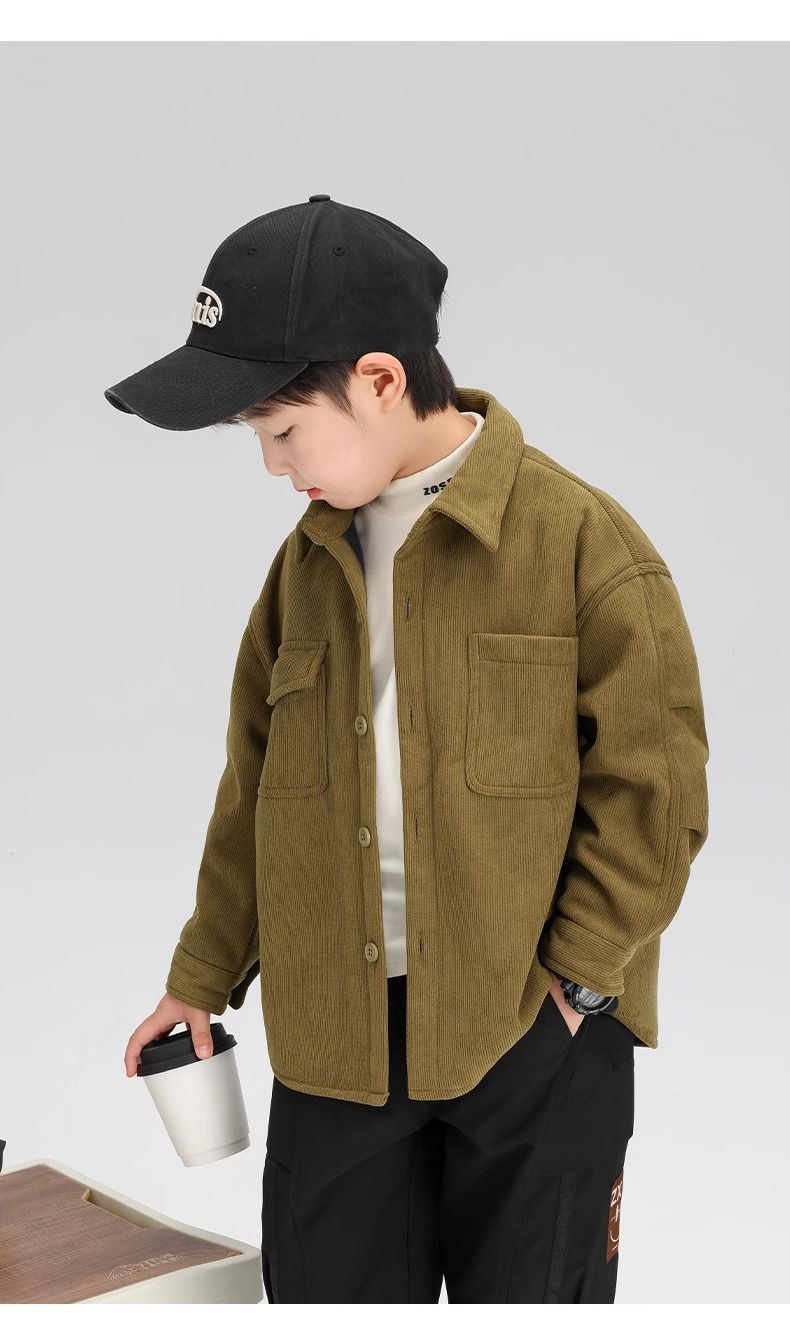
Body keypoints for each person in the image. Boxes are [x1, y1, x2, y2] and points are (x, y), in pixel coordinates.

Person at [115, 195, 709, 1303]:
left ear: (380, 379)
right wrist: (201, 978)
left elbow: (655, 794)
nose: (272, 466)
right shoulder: (304, 570)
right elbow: (257, 789)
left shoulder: (584, 544)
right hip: (335, 1044)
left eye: (282, 431)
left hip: (534, 1036)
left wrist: (575, 982)